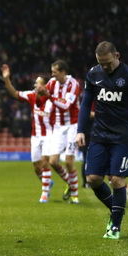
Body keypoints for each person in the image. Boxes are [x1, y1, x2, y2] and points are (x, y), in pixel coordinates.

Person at [76, 41, 128, 239]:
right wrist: (80, 130)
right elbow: (85, 104)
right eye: (101, 63)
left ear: (117, 56)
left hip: (123, 136)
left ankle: (115, 226)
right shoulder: (93, 74)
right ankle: (117, 209)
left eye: (107, 63)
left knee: (116, 179)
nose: (104, 67)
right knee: (92, 179)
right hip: (99, 134)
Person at [2, 64, 55, 203]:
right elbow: (14, 93)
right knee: (36, 167)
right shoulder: (31, 95)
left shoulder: (52, 99)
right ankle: (47, 182)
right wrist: (7, 79)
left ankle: (44, 194)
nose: (35, 85)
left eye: (37, 83)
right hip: (35, 136)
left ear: (44, 86)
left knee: (45, 163)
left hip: (49, 134)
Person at [40, 60, 81, 203]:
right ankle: (70, 182)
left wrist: (49, 96)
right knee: (53, 161)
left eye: (55, 72)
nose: (52, 75)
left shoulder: (73, 84)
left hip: (72, 126)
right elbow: (46, 98)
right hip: (58, 126)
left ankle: (75, 195)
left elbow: (66, 106)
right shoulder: (52, 83)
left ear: (63, 72)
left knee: (69, 162)